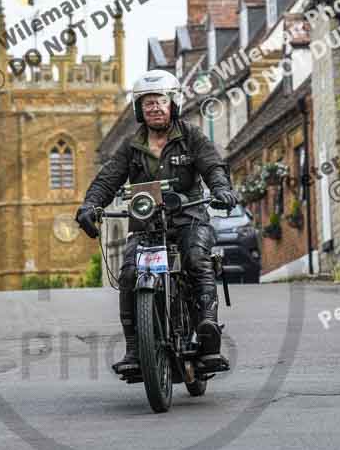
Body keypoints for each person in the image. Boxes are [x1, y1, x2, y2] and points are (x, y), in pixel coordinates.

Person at [75, 69, 238, 373]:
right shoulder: (131, 145)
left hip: (189, 218)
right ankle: (135, 349)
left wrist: (221, 189)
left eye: (159, 102)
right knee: (127, 274)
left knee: (196, 259)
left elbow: (212, 165)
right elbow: (107, 179)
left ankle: (208, 332)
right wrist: (90, 205)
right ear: (140, 108)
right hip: (147, 223)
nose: (154, 108)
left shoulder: (191, 135)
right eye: (147, 103)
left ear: (172, 103)